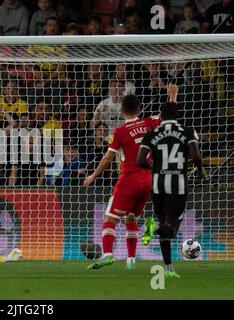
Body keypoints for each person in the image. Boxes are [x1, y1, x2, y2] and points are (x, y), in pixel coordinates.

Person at [84, 91, 169, 270]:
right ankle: (131, 260)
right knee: (130, 218)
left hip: (129, 179)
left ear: (122, 111)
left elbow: (108, 158)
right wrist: (172, 96)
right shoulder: (148, 122)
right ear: (139, 108)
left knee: (110, 218)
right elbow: (168, 116)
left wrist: (93, 175)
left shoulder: (120, 131)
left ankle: (107, 255)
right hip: (147, 181)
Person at [137, 95, 206, 279]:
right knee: (171, 229)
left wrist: (154, 167)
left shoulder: (151, 133)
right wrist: (199, 170)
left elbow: (140, 161)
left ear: (161, 115)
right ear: (177, 115)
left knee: (164, 226)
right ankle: (152, 229)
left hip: (158, 185)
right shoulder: (187, 131)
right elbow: (196, 157)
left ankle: (168, 269)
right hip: (178, 185)